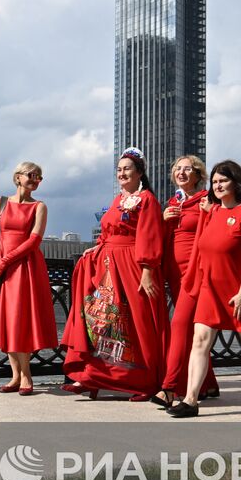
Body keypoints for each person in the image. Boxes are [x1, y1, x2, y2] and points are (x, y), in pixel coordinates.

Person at [169, 160, 241, 416]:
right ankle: (190, 400)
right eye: (215, 182)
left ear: (235, 183)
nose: (218, 185)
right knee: (200, 342)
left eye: (223, 181)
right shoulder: (213, 213)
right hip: (210, 290)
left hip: (239, 292)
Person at [61, 149, 168, 400]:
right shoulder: (117, 200)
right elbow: (108, 232)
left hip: (133, 264)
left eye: (127, 168)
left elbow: (151, 236)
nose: (122, 173)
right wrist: (97, 248)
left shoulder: (147, 200)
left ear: (139, 172)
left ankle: (142, 382)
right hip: (108, 265)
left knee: (134, 323)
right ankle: (94, 376)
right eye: (119, 169)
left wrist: (148, 271)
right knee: (103, 320)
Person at [0, 162, 58, 396]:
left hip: (24, 268)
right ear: (18, 178)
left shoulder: (40, 207)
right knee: (4, 320)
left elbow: (34, 241)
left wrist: (5, 261)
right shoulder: (2, 202)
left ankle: (26, 375)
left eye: (39, 177)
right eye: (31, 175)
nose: (35, 179)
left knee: (18, 320)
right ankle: (15, 375)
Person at [156, 155, 218, 407]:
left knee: (179, 325)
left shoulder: (206, 200)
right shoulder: (172, 203)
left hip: (197, 273)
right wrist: (163, 220)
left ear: (198, 174)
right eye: (177, 168)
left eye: (187, 169)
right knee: (195, 329)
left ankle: (170, 387)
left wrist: (207, 213)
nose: (181, 172)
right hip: (174, 273)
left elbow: (215, 234)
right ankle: (208, 384)